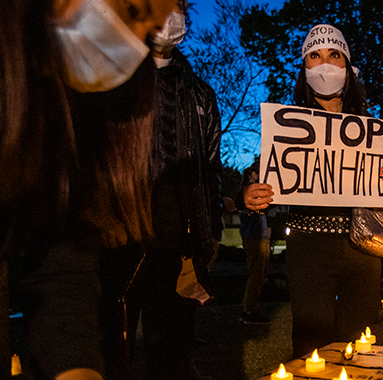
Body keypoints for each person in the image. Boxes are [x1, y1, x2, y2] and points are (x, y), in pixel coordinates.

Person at [1, 0, 176, 378]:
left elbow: (59, 270)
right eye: (132, 10)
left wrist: (77, 368)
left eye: (148, 33)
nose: (133, 45)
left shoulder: (74, 120)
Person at [242, 24, 383, 359]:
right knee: (311, 345)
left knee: (360, 345)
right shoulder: (287, 127)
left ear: (348, 66)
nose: (325, 64)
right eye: (315, 56)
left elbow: (377, 183)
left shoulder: (368, 128)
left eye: (334, 55)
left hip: (364, 248)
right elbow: (263, 181)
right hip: (308, 249)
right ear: (305, 67)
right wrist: (251, 198)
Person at [125, 3, 223, 379]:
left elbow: (209, 172)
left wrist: (207, 235)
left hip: (175, 249)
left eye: (178, 5)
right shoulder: (114, 83)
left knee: (170, 358)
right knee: (110, 354)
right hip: (119, 243)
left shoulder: (201, 95)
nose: (169, 13)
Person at [238, 163, 272, 325]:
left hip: (258, 235)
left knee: (258, 274)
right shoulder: (249, 192)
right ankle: (249, 311)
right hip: (255, 237)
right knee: (256, 274)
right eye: (259, 173)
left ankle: (248, 308)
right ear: (252, 174)